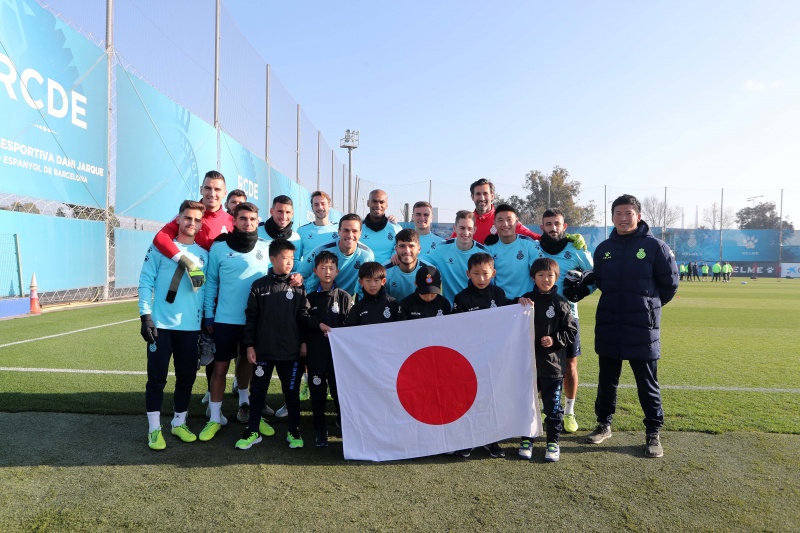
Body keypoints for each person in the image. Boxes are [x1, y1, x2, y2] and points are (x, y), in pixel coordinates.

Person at [584, 194, 678, 459]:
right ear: (612, 217)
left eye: (628, 213)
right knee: (607, 381)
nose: (623, 219)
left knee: (647, 383)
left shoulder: (655, 247)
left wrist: (649, 309)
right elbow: (601, 281)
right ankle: (604, 425)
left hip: (642, 327)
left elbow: (669, 286)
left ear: (638, 215)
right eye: (618, 214)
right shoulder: (604, 248)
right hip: (610, 324)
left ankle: (652, 433)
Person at [151, 171, 235, 404]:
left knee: (213, 348)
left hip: (217, 297)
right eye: (208, 188)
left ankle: (212, 395)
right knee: (188, 352)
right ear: (201, 189)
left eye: (217, 189)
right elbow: (160, 238)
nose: (212, 193)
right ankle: (178, 408)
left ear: (224, 193)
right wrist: (185, 261)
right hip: (190, 296)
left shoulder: (230, 221)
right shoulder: (191, 215)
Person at [236, 239, 318, 451]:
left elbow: (304, 316)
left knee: (291, 393)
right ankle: (253, 430)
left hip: (291, 353)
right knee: (258, 393)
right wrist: (250, 346)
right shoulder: (259, 285)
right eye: (285, 258)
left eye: (292, 258)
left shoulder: (298, 287)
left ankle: (294, 430)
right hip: (263, 351)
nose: (289, 262)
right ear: (272, 259)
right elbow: (251, 318)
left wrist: (303, 342)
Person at [138, 200, 208, 450]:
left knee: (186, 379)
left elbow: (207, 290)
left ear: (201, 224)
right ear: (178, 219)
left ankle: (179, 423)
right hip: (161, 327)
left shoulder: (204, 254)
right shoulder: (159, 247)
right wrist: (145, 316)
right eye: (187, 218)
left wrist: (206, 322)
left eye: (197, 220)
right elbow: (146, 281)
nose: (191, 223)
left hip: (190, 329)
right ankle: (154, 429)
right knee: (156, 380)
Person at [199, 202, 271, 441]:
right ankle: (215, 418)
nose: (248, 223)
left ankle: (246, 405)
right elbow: (210, 283)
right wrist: (209, 314)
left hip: (256, 321)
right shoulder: (219, 248)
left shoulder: (266, 247)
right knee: (220, 368)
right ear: (234, 220)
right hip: (225, 320)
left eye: (252, 219)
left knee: (248, 362)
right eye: (243, 218)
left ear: (257, 220)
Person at [534, 208, 595, 434]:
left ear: (564, 226)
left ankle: (569, 412)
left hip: (569, 317)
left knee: (569, 366)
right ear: (542, 227)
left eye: (556, 224)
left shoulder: (576, 250)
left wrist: (582, 291)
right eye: (548, 224)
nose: (552, 228)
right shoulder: (533, 248)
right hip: (540, 318)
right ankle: (543, 409)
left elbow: (595, 275)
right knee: (542, 367)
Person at [451, 253, 512, 458]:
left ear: (493, 273)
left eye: (485, 274)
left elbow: (510, 317)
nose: (481, 278)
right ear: (468, 274)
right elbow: (456, 330)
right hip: (469, 358)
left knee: (491, 398)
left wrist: (522, 303)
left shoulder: (499, 294)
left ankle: (491, 440)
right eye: (476, 274)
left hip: (493, 358)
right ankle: (467, 439)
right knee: (469, 398)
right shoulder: (461, 298)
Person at [517, 258, 577, 462]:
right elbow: (511, 324)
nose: (545, 279)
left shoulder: (561, 303)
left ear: (556, 277)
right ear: (533, 277)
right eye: (541, 275)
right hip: (528, 365)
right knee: (528, 405)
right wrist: (518, 304)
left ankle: (553, 442)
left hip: (552, 366)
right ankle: (527, 439)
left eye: (550, 275)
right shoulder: (524, 300)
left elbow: (571, 332)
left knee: (552, 407)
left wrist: (554, 340)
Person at [303, 251, 354, 447]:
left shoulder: (344, 297)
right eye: (323, 268)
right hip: (316, 355)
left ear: (337, 271)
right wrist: (318, 326)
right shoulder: (310, 297)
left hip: (338, 357)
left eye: (331, 268)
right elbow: (304, 320)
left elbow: (351, 325)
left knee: (339, 392)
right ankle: (319, 429)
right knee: (317, 394)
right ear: (315, 271)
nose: (327, 271)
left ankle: (344, 424)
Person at [299, 213, 375, 296]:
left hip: (344, 302)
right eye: (346, 230)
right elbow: (300, 274)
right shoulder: (322, 250)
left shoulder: (367, 256)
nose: (350, 235)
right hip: (317, 299)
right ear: (339, 232)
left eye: (354, 231)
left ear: (360, 233)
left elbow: (367, 285)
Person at [426, 210, 491, 303]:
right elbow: (418, 261)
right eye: (462, 228)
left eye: (469, 228)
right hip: (450, 310)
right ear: (455, 228)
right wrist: (397, 258)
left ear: (475, 230)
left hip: (475, 309)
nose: (466, 232)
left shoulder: (484, 253)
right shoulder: (442, 249)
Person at [484, 204, 538, 300]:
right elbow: (488, 279)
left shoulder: (528, 244)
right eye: (500, 220)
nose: (505, 224)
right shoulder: (489, 248)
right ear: (495, 224)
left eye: (509, 219)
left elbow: (538, 273)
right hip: (502, 304)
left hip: (527, 302)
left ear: (516, 222)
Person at [384, 229, 431, 301]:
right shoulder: (384, 270)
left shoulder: (430, 271)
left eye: (411, 246)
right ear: (396, 249)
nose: (407, 251)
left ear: (419, 249)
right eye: (402, 246)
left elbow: (436, 302)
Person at [257, 195, 303, 266]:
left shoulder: (296, 238)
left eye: (287, 212)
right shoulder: (256, 232)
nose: (283, 216)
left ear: (292, 214)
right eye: (280, 211)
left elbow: (295, 264)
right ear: (271, 211)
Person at [359, 189, 403, 264]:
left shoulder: (396, 228)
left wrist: (396, 254)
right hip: (364, 274)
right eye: (374, 201)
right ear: (368, 203)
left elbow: (402, 249)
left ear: (386, 205)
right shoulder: (358, 228)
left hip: (388, 274)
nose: (378, 205)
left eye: (382, 202)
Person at [297, 191, 339, 259]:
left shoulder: (339, 230)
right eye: (316, 204)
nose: (320, 207)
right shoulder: (301, 231)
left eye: (323, 204)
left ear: (329, 206)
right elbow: (295, 260)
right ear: (312, 207)